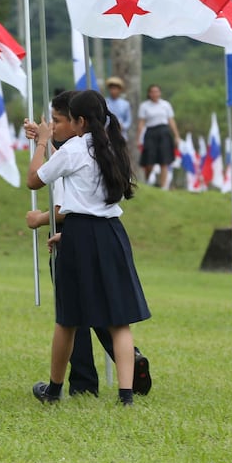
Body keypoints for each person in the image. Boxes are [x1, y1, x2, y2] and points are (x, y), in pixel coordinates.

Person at [24, 89, 150, 407]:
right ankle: (126, 396)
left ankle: (54, 389)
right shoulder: (114, 146)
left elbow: (34, 180)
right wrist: (48, 138)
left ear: (79, 121)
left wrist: (41, 143)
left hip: (80, 233)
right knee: (119, 320)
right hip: (112, 233)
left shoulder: (75, 149)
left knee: (68, 319)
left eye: (63, 120)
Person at [136, 84, 178, 189]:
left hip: (164, 132)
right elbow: (141, 123)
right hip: (150, 132)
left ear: (160, 93)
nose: (155, 94)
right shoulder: (144, 106)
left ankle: (163, 187)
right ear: (149, 94)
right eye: (152, 92)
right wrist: (138, 138)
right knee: (149, 161)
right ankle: (147, 180)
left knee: (164, 160)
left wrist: (176, 135)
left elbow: (171, 121)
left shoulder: (166, 105)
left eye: (157, 91)